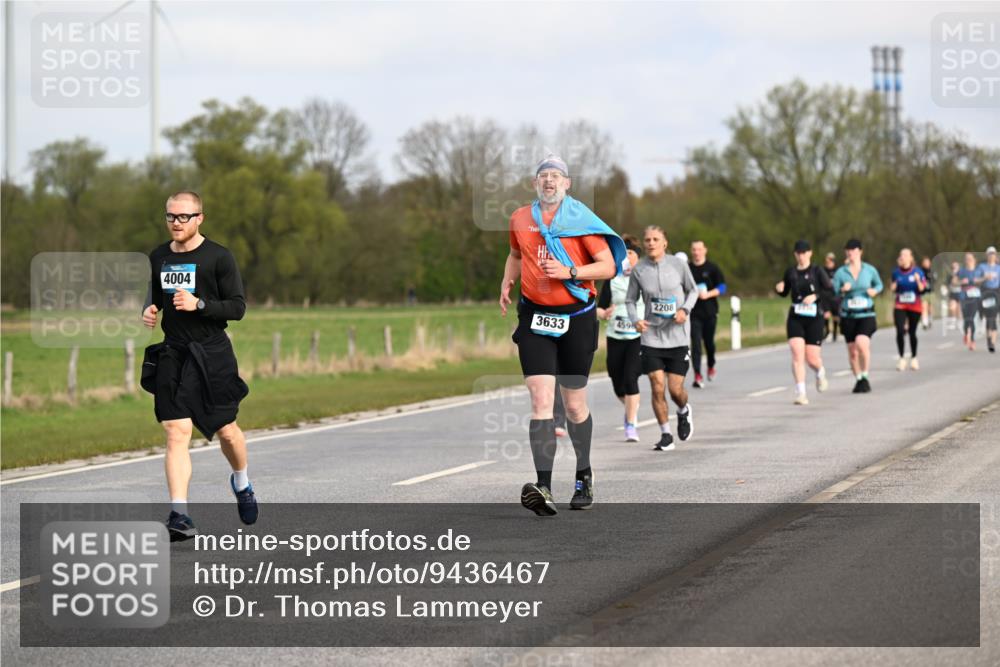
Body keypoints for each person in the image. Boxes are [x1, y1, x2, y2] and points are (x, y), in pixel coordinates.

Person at [500, 155, 626, 516]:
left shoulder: (580, 220)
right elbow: (515, 255)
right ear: (534, 183)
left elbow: (608, 267)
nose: (549, 180)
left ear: (567, 183)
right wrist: (507, 281)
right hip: (535, 317)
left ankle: (584, 474)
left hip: (577, 318)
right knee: (541, 399)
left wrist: (570, 271)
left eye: (556, 176)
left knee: (573, 406)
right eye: (543, 176)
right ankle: (543, 486)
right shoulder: (520, 218)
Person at [141, 191, 257, 541]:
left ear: (199, 218)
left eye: (183, 217)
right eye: (170, 216)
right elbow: (157, 295)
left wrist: (200, 304)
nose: (176, 223)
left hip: (211, 354)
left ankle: (242, 482)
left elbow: (237, 307)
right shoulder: (159, 256)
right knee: (176, 430)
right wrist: (149, 308)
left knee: (227, 431)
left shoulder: (219, 257)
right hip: (174, 354)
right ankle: (180, 515)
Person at [626, 226, 698, 451]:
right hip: (652, 337)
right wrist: (635, 320)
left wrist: (684, 310)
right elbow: (630, 300)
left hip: (677, 337)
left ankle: (683, 410)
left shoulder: (678, 265)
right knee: (657, 386)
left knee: (676, 390)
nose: (651, 243)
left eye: (655, 239)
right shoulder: (639, 270)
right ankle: (666, 434)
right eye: (647, 240)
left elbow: (693, 291)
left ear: (665, 243)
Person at [597, 235, 644, 442]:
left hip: (637, 336)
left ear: (638, 257)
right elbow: (599, 307)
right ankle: (631, 407)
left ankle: (631, 423)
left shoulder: (645, 278)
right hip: (615, 335)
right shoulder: (612, 278)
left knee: (630, 377)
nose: (627, 257)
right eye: (624, 254)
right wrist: (603, 313)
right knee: (617, 380)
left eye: (631, 253)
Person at [775, 240, 830, 405]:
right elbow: (785, 292)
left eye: (804, 253)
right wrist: (779, 289)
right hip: (796, 316)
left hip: (814, 317)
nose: (801, 256)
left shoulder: (817, 271)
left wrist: (815, 296)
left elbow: (829, 289)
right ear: (795, 254)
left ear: (810, 253)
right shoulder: (791, 272)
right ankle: (801, 393)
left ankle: (820, 372)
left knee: (812, 358)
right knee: (797, 352)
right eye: (798, 253)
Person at [832, 239, 883, 394]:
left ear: (860, 252)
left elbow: (879, 284)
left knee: (862, 343)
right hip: (848, 316)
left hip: (866, 314)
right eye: (848, 250)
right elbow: (833, 291)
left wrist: (874, 291)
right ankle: (859, 378)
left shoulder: (869, 270)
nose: (850, 253)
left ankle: (865, 374)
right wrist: (842, 289)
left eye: (853, 250)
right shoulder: (841, 272)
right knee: (852, 351)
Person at [688, 240, 727, 388]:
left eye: (699, 249)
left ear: (705, 250)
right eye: (694, 249)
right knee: (696, 344)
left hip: (710, 312)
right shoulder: (688, 268)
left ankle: (711, 365)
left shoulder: (712, 268)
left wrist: (708, 294)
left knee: (709, 343)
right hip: (693, 313)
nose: (696, 252)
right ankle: (697, 375)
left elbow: (723, 287)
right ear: (691, 251)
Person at [891, 248, 927, 370]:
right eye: (901, 255)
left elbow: (922, 289)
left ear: (911, 258)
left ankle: (914, 357)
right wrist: (894, 285)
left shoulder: (918, 272)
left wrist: (917, 280)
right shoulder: (896, 273)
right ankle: (901, 358)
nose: (903, 257)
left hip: (914, 305)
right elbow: (892, 289)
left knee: (912, 332)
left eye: (906, 255)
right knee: (900, 331)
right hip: (900, 305)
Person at [954, 252, 984, 351]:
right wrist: (961, 282)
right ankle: (966, 333)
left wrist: (978, 280)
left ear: (974, 259)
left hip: (975, 296)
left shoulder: (979, 270)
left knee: (971, 318)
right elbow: (954, 282)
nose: (968, 260)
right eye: (967, 258)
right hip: (964, 296)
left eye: (970, 258)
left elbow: (984, 279)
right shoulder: (961, 271)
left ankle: (972, 340)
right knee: (966, 319)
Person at [979, 247, 999, 353]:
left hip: (996, 292)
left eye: (993, 254)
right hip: (986, 292)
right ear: (987, 255)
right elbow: (976, 280)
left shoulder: (998, 267)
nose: (992, 256)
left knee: (993, 316)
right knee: (989, 316)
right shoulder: (982, 267)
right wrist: (985, 277)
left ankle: (992, 342)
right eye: (990, 254)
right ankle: (989, 339)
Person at [820, 252, 840, 341]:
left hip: (835, 296)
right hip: (825, 296)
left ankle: (835, 331)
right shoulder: (823, 270)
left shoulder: (838, 271)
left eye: (830, 260)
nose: (828, 262)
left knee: (835, 315)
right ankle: (827, 330)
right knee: (826, 314)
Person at [919, 256, 935, 330]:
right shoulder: (920, 272)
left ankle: (930, 318)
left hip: (931, 292)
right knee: (924, 307)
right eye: (925, 262)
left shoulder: (932, 271)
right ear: (922, 263)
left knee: (930, 307)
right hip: (923, 292)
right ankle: (925, 322)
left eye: (927, 262)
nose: (926, 263)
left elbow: (935, 280)